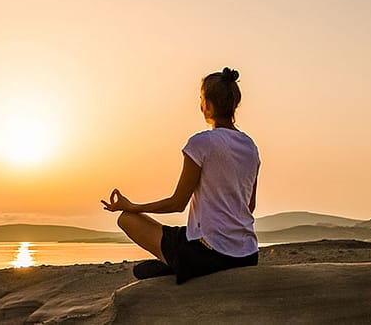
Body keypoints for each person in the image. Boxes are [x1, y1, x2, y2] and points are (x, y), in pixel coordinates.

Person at [100, 67, 260, 284]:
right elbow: (249, 206)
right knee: (181, 235)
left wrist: (132, 207)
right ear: (234, 104)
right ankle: (174, 262)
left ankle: (175, 264)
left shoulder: (201, 143)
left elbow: (177, 203)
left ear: (208, 105)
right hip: (248, 254)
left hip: (209, 254)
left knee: (127, 219)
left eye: (202, 98)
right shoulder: (250, 147)